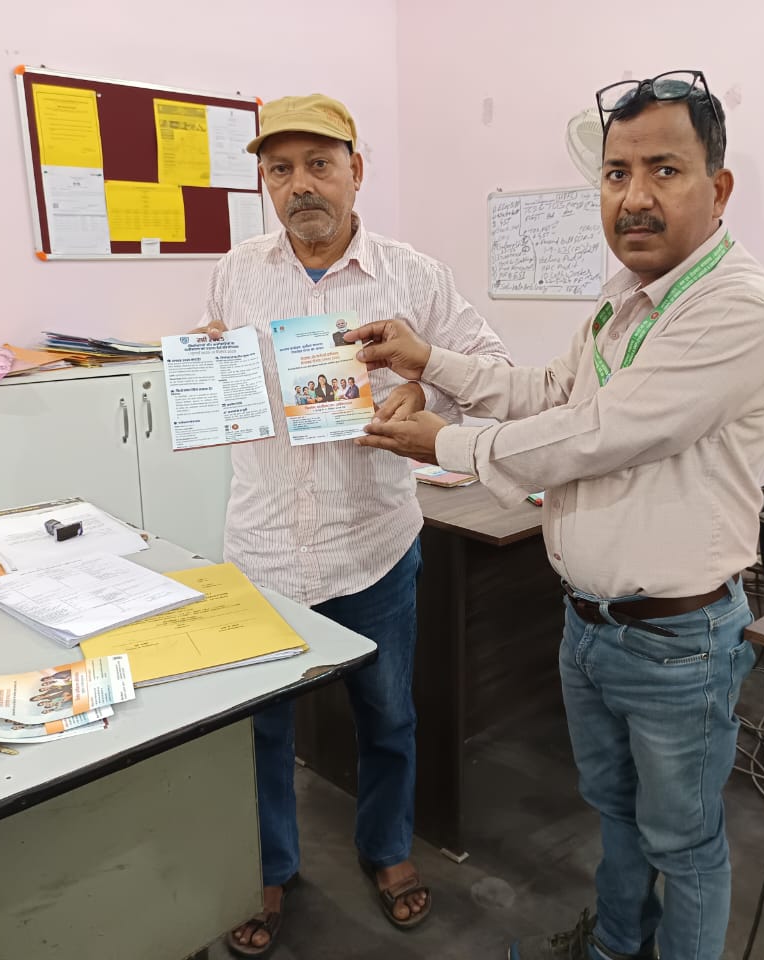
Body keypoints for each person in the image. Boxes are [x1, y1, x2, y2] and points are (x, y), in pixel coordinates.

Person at [349, 70, 764, 960]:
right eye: (616, 173)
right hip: (589, 627)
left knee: (686, 844)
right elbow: (552, 391)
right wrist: (430, 359)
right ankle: (616, 945)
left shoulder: (741, 308)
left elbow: (597, 434)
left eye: (664, 170)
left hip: (676, 641)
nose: (634, 197)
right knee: (615, 814)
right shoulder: (624, 297)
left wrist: (448, 442)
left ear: (717, 189)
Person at [189, 93, 509, 957]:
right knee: (261, 728)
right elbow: (227, 371)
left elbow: (493, 366)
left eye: (319, 164)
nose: (300, 185)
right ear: (266, 182)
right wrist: (210, 362)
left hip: (372, 544)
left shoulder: (413, 276)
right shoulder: (237, 272)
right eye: (280, 169)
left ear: (356, 171)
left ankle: (387, 849)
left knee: (388, 717)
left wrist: (426, 387)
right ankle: (267, 867)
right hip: (261, 546)